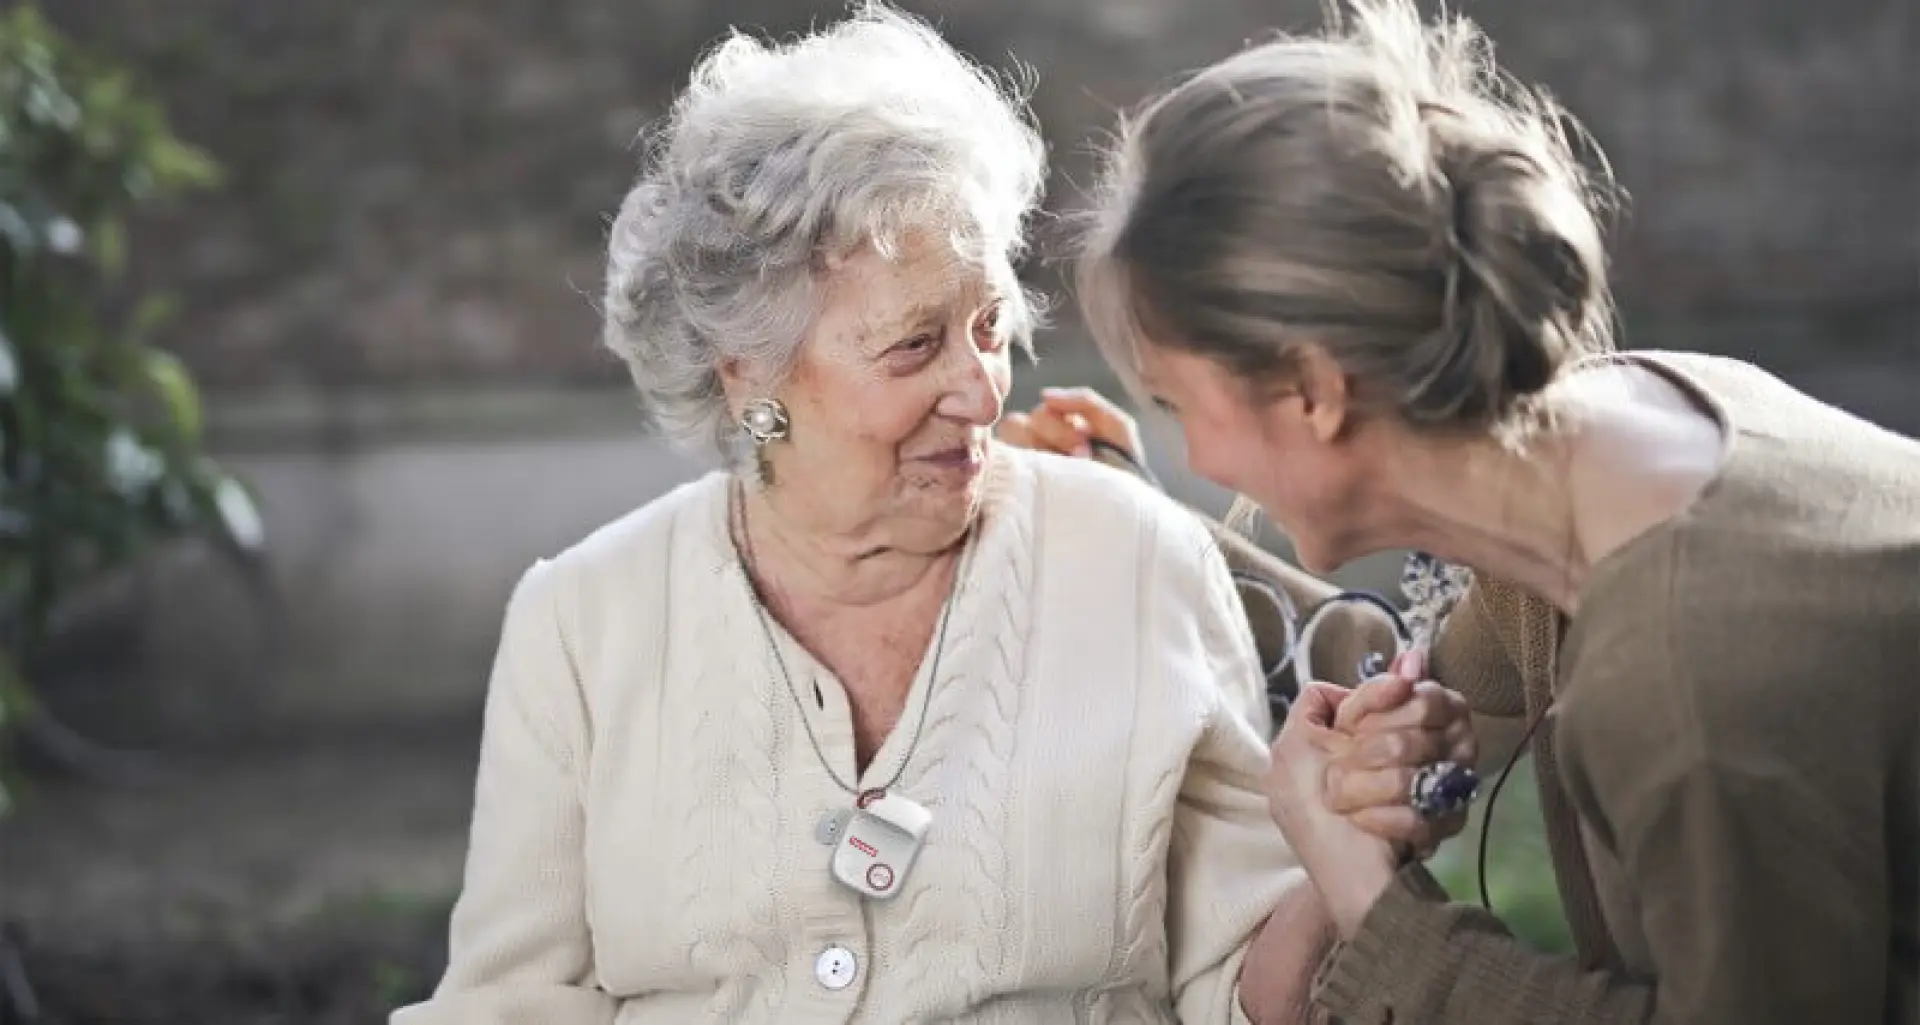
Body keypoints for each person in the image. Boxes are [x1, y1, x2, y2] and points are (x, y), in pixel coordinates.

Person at [390, 6, 1471, 1023]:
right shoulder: (583, 622)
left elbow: (1239, 988)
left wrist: (1338, 840)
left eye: (990, 324)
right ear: (747, 376)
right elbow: (508, 1000)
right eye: (915, 346)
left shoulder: (1134, 561)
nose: (980, 386)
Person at [1056, 0, 1920, 1022]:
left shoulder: (1689, 679)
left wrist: (1379, 905)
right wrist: (1377, 766)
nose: (1194, 455)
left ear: (1313, 392)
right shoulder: (1616, 437)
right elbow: (1439, 705)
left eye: (1179, 405)